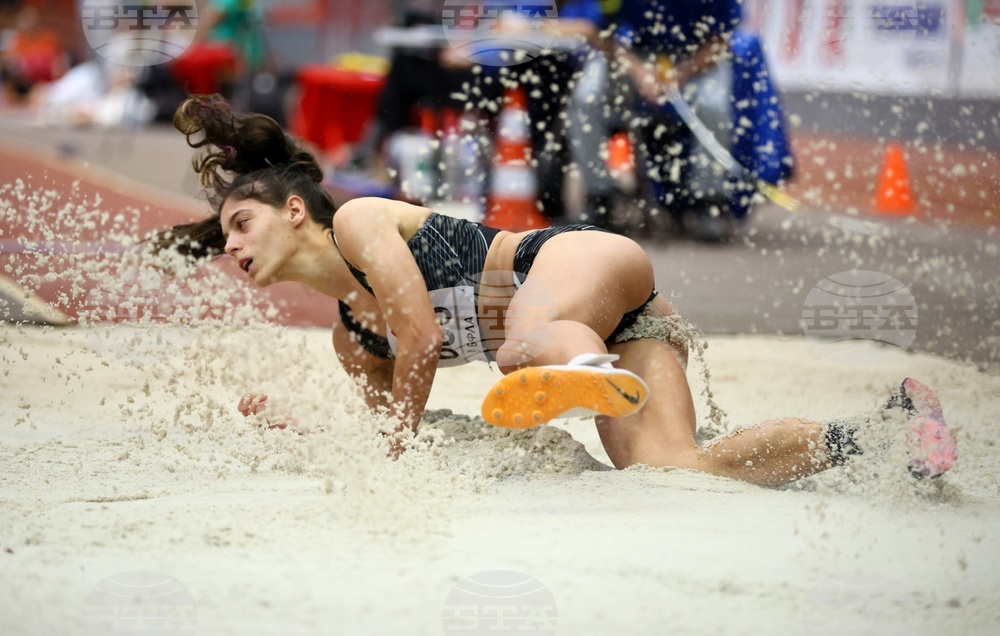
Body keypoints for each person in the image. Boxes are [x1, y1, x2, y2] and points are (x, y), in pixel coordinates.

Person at [154, 95, 958, 487]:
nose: (230, 246)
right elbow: (400, 432)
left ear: (295, 211)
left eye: (241, 224)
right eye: (222, 237)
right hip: (629, 323)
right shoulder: (351, 341)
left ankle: (582, 368)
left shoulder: (362, 221)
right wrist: (308, 435)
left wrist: (546, 363)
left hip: (575, 262)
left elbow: (427, 342)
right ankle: (886, 433)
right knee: (676, 471)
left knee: (519, 349)